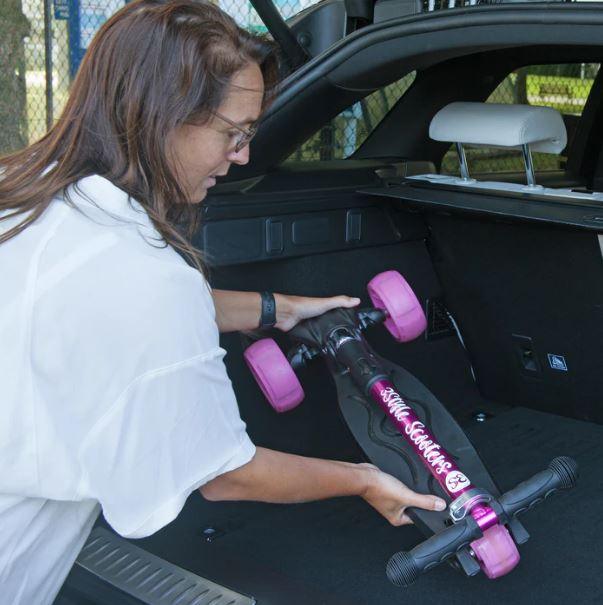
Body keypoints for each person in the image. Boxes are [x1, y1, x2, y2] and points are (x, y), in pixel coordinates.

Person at [0, 1, 446, 602]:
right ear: (159, 116)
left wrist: (278, 308)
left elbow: (103, 318)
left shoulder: (30, 198)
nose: (241, 158)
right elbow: (227, 474)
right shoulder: (144, 279)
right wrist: (366, 479)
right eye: (232, 135)